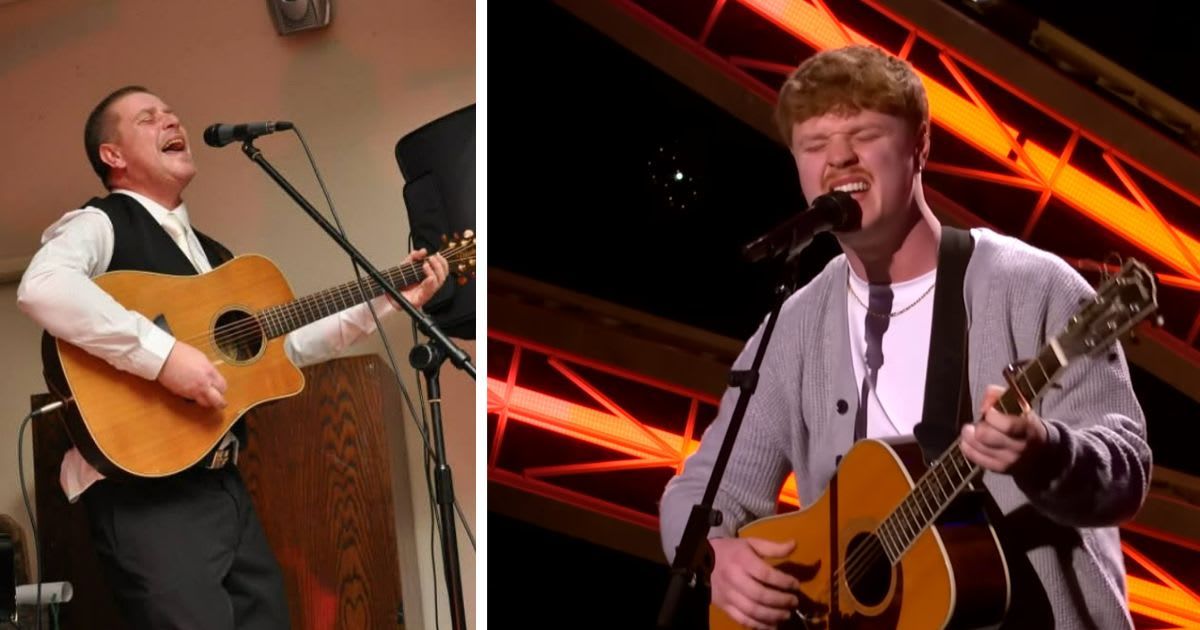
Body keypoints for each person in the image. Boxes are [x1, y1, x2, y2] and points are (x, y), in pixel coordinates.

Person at [659, 46, 1150, 629]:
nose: (839, 158)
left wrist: (1046, 450)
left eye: (864, 134)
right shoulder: (794, 327)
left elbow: (1127, 469)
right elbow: (697, 491)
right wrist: (719, 557)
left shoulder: (1029, 285)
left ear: (920, 146)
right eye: (815, 145)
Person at [16, 85, 449, 629]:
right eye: (149, 118)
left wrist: (389, 299)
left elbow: (286, 346)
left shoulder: (214, 256)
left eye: (172, 112)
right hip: (145, 496)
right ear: (114, 155)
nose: (171, 120)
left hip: (222, 485)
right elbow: (43, 287)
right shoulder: (101, 223)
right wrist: (163, 357)